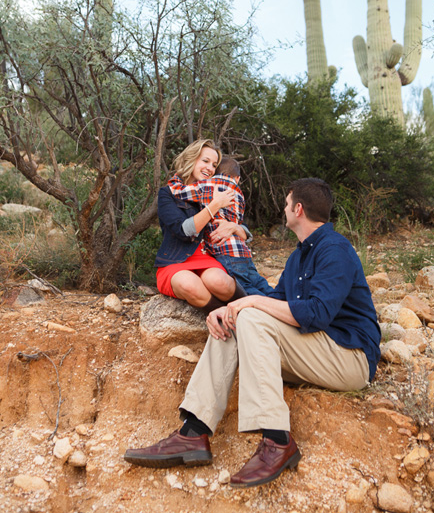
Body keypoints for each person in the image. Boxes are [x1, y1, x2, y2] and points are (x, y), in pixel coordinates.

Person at [125, 178, 382, 489]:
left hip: (348, 358)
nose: (284, 209)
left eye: (287, 204)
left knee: (251, 316)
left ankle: (277, 441)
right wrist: (229, 308)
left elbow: (316, 314)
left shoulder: (335, 250)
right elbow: (277, 301)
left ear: (298, 209)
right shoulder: (299, 255)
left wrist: (249, 301)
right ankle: (194, 432)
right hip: (317, 352)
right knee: (238, 319)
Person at [155, 139, 247, 313]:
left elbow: (242, 223)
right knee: (189, 285)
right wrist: (214, 205)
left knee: (220, 282)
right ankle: (226, 318)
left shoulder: (215, 190)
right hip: (175, 260)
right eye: (205, 161)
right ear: (191, 159)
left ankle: (250, 312)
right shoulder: (167, 193)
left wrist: (234, 227)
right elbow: (183, 230)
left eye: (214, 165)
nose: (210, 168)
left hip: (207, 257)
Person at [168, 156, 273, 296]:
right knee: (260, 283)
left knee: (245, 289)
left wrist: (179, 175)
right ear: (237, 178)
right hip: (243, 251)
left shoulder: (209, 185)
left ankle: (268, 310)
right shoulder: (239, 193)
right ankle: (282, 303)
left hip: (225, 250)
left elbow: (177, 190)